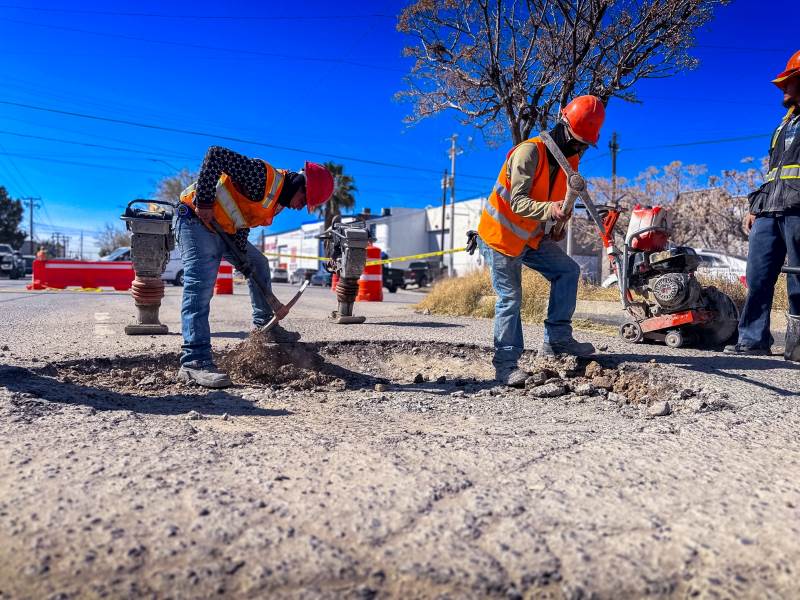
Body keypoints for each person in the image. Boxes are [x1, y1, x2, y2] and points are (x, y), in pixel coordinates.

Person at [176, 146, 334, 387]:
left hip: (225, 229)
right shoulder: (261, 175)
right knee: (201, 286)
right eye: (305, 200)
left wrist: (242, 259)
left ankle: (265, 325)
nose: (300, 207)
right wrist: (205, 201)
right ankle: (194, 362)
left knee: (258, 263)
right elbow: (215, 154)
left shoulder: (276, 202)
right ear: (301, 184)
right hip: (196, 220)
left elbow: (241, 219)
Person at [477, 95, 606, 386]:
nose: (580, 149)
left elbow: (552, 199)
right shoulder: (528, 153)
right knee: (510, 298)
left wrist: (554, 226)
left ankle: (557, 339)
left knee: (567, 271)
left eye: (585, 144)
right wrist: (550, 210)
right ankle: (506, 365)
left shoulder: (569, 162)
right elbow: (518, 202)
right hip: (500, 237)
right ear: (563, 126)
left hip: (529, 237)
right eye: (577, 141)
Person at [725, 50, 800, 356]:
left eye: (790, 82)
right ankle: (753, 341)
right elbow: (775, 173)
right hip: (769, 210)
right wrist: (756, 207)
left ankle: (797, 346)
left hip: (798, 210)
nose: (783, 88)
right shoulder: (783, 126)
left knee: (798, 280)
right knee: (758, 277)